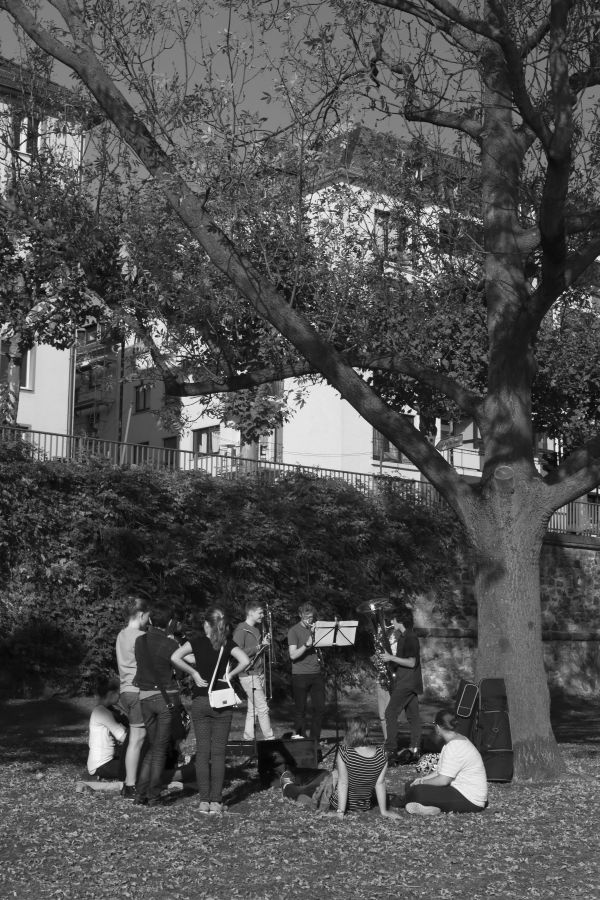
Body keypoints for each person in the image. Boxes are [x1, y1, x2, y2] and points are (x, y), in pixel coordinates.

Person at [171, 607, 250, 815]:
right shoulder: (226, 644)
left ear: (206, 624)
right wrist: (230, 675)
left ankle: (204, 800)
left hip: (201, 700)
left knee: (203, 751)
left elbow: (176, 657)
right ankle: (216, 801)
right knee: (218, 753)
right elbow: (246, 661)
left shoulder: (196, 642)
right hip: (221, 701)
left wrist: (194, 674)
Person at [281, 718, 399, 819]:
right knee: (323, 776)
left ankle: (287, 785)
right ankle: (295, 777)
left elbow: (343, 783)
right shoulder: (382, 754)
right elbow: (380, 783)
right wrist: (384, 811)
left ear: (347, 733)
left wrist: (340, 812)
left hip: (337, 803)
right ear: (366, 731)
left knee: (303, 793)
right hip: (362, 806)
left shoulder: (345, 752)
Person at [133, 607, 182, 807]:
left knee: (153, 747)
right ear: (169, 622)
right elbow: (179, 672)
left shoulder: (139, 641)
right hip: (164, 699)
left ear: (151, 621)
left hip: (144, 698)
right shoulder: (171, 644)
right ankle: (153, 795)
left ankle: (140, 794)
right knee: (160, 749)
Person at [403, 708, 488, 815]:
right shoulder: (454, 741)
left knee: (417, 792)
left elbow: (443, 780)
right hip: (457, 789)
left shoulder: (454, 747)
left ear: (438, 727)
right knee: (410, 785)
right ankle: (428, 806)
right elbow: (440, 771)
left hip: (470, 799)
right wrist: (421, 779)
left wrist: (422, 783)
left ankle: (427, 805)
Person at [115, 596, 150, 799]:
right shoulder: (140, 637)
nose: (148, 620)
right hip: (137, 690)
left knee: (136, 737)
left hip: (125, 690)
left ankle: (131, 781)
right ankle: (130, 784)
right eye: (147, 616)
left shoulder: (121, 635)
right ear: (140, 615)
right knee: (138, 738)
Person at [381, 604, 423, 763]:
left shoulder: (410, 637)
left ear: (399, 620)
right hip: (408, 681)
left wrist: (391, 658)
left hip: (407, 682)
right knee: (413, 717)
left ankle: (390, 750)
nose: (391, 621)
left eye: (393, 618)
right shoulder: (404, 637)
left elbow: (412, 663)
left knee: (390, 713)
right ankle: (415, 749)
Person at [233, 600, 275, 741]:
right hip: (248, 674)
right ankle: (270, 739)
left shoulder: (256, 630)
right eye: (260, 612)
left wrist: (264, 646)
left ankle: (248, 738)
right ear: (250, 613)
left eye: (263, 612)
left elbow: (257, 653)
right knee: (263, 708)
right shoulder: (241, 630)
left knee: (254, 709)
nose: (262, 615)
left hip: (258, 672)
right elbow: (236, 651)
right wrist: (258, 647)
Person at [287, 602, 325, 741]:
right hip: (300, 674)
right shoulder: (293, 631)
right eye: (307, 617)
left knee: (320, 709)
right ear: (300, 616)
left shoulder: (315, 628)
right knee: (300, 710)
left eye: (312, 617)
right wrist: (307, 644)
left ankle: (315, 741)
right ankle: (301, 740)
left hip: (316, 673)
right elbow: (293, 655)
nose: (310, 620)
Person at [87, 675, 128, 779]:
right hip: (101, 765)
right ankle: (173, 775)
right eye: (118, 694)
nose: (119, 697)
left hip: (105, 762)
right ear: (111, 694)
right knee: (139, 768)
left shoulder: (105, 710)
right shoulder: (102, 712)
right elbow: (122, 737)